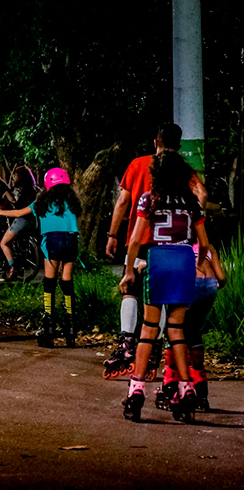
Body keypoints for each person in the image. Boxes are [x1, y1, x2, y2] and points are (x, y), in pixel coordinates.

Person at [103, 123, 208, 378]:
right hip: (176, 246)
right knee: (166, 301)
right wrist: (193, 220)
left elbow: (122, 201)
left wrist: (113, 234)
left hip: (143, 242)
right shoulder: (183, 170)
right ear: (179, 145)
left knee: (132, 289)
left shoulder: (139, 164)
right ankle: (157, 352)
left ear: (155, 142)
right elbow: (201, 194)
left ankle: (128, 342)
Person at [119, 150, 210, 423]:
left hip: (158, 259)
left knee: (148, 330)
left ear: (156, 175)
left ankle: (136, 390)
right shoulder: (190, 203)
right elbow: (204, 242)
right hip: (184, 259)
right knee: (177, 331)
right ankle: (187, 389)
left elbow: (135, 240)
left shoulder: (150, 199)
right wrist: (198, 262)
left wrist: (128, 272)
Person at [0, 167, 82, 348]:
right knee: (67, 282)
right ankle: (71, 326)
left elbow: (18, 213)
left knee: (49, 282)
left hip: (52, 240)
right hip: (71, 240)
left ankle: (49, 324)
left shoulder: (43, 201)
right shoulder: (72, 202)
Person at [156, 243, 226, 413]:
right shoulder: (208, 245)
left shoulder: (174, 243)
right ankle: (200, 385)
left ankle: (171, 383)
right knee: (194, 331)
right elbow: (222, 278)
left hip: (186, 283)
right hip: (209, 286)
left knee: (174, 330)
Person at [0, 166, 37, 280]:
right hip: (32, 221)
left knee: (3, 243)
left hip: (22, 219)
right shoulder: (33, 190)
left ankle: (13, 266)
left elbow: (19, 210)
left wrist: (2, 210)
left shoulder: (23, 191)